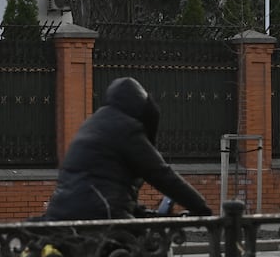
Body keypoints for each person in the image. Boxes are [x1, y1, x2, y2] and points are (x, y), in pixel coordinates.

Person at [44, 76, 213, 221]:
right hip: (103, 214)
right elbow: (161, 174)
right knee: (152, 250)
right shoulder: (126, 129)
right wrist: (201, 208)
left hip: (62, 213)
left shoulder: (92, 124)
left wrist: (138, 210)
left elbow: (101, 179)